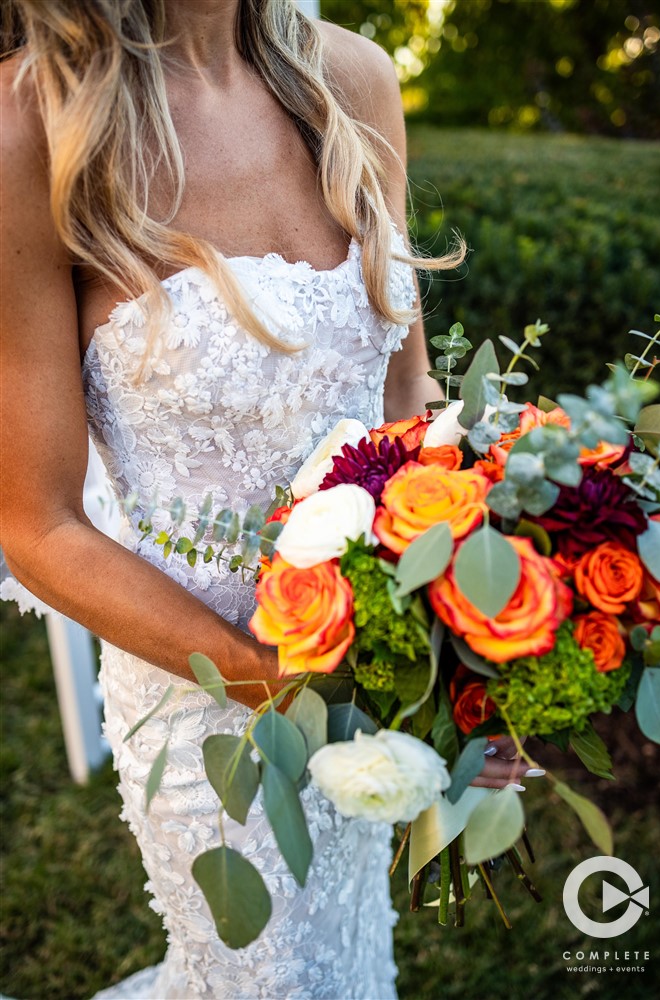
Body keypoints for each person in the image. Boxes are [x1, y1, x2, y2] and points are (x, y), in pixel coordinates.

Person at [0, 2, 536, 997]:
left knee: (347, 956)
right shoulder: (32, 126)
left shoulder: (357, 81)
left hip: (377, 668)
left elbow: (402, 401)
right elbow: (38, 526)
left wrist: (460, 647)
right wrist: (299, 702)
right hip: (206, 696)